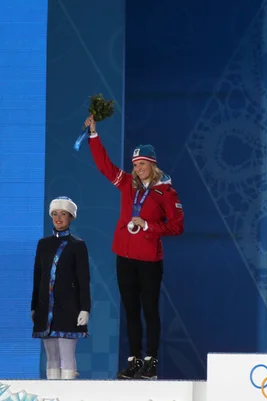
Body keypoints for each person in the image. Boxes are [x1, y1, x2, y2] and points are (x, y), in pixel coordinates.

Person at [84, 115, 184, 380]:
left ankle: (150, 362)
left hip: (149, 259)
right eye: (135, 164)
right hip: (124, 256)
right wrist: (94, 134)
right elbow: (105, 166)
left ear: (152, 164)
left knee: (149, 310)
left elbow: (176, 227)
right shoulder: (128, 184)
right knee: (130, 310)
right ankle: (134, 360)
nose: (138, 169)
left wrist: (149, 225)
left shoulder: (166, 193)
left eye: (142, 164)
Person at [31, 196, 91, 380]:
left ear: (71, 217)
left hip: (68, 308)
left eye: (63, 214)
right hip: (45, 309)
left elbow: (83, 279)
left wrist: (85, 308)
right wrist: (34, 306)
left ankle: (67, 395)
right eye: (55, 214)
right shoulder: (43, 244)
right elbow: (38, 277)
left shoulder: (77, 245)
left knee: (66, 356)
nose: (58, 218)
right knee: (51, 357)